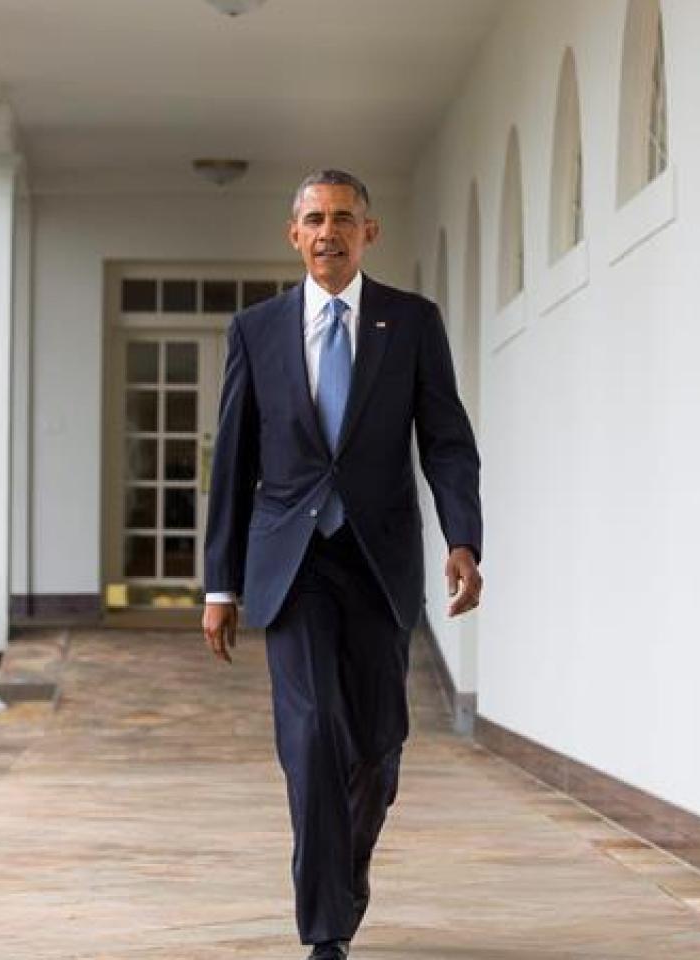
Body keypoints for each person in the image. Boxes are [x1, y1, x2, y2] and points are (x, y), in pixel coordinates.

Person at [202, 169, 484, 960]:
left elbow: (447, 439)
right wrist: (219, 585)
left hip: (378, 562)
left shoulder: (412, 323)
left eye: (344, 219)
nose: (329, 232)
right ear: (293, 234)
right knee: (313, 730)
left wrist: (462, 537)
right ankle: (325, 930)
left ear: (370, 232)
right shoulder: (255, 332)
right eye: (314, 219)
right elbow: (234, 462)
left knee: (378, 746)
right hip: (292, 566)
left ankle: (345, 874)